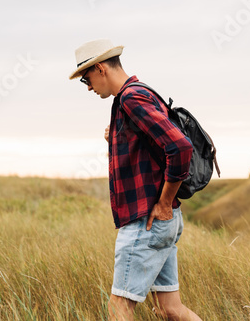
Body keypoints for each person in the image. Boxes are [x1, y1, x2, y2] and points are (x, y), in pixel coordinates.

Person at [69, 39, 202, 321]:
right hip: (160, 222)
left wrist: (164, 202)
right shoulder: (137, 94)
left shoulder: (131, 98)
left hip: (147, 221)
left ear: (101, 68)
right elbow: (151, 145)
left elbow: (180, 147)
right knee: (169, 309)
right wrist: (116, 137)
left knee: (119, 308)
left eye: (86, 79)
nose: (89, 87)